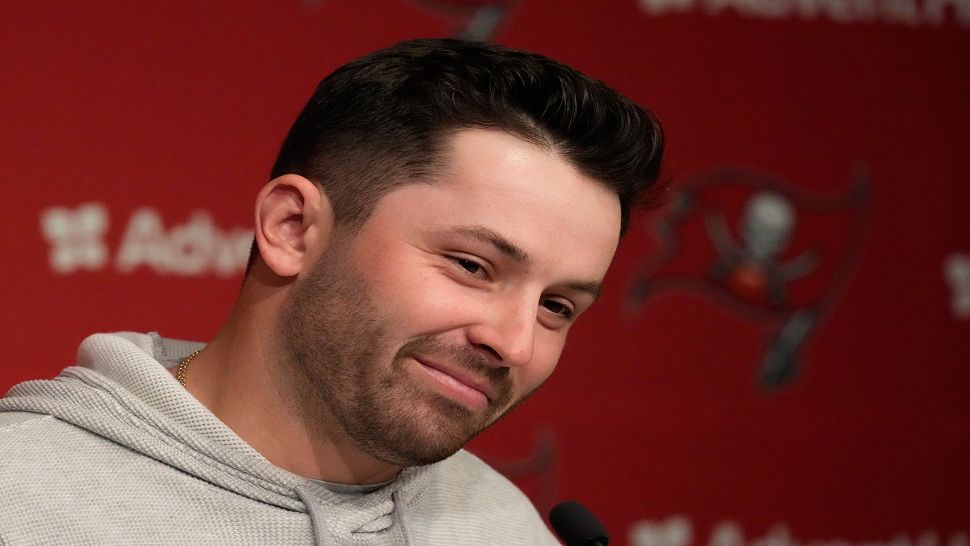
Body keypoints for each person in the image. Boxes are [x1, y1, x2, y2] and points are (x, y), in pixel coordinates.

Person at [0, 38, 663, 545]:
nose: (513, 342)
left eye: (557, 307)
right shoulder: (22, 499)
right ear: (292, 228)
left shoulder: (502, 529)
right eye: (472, 265)